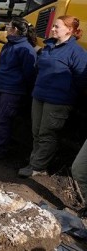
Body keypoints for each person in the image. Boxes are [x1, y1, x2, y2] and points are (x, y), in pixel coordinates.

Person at [19, 16, 87, 177]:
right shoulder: (49, 46)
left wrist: (67, 92)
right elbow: (39, 67)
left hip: (58, 100)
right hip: (40, 95)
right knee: (36, 131)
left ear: (69, 30)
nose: (53, 29)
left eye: (57, 27)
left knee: (47, 133)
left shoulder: (76, 52)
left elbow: (82, 79)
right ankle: (34, 161)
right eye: (53, 26)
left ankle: (37, 167)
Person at [0, 18, 37, 160]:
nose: (6, 28)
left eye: (9, 26)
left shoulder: (26, 49)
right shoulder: (9, 45)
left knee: (3, 120)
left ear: (15, 29)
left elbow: (30, 74)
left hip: (12, 90)